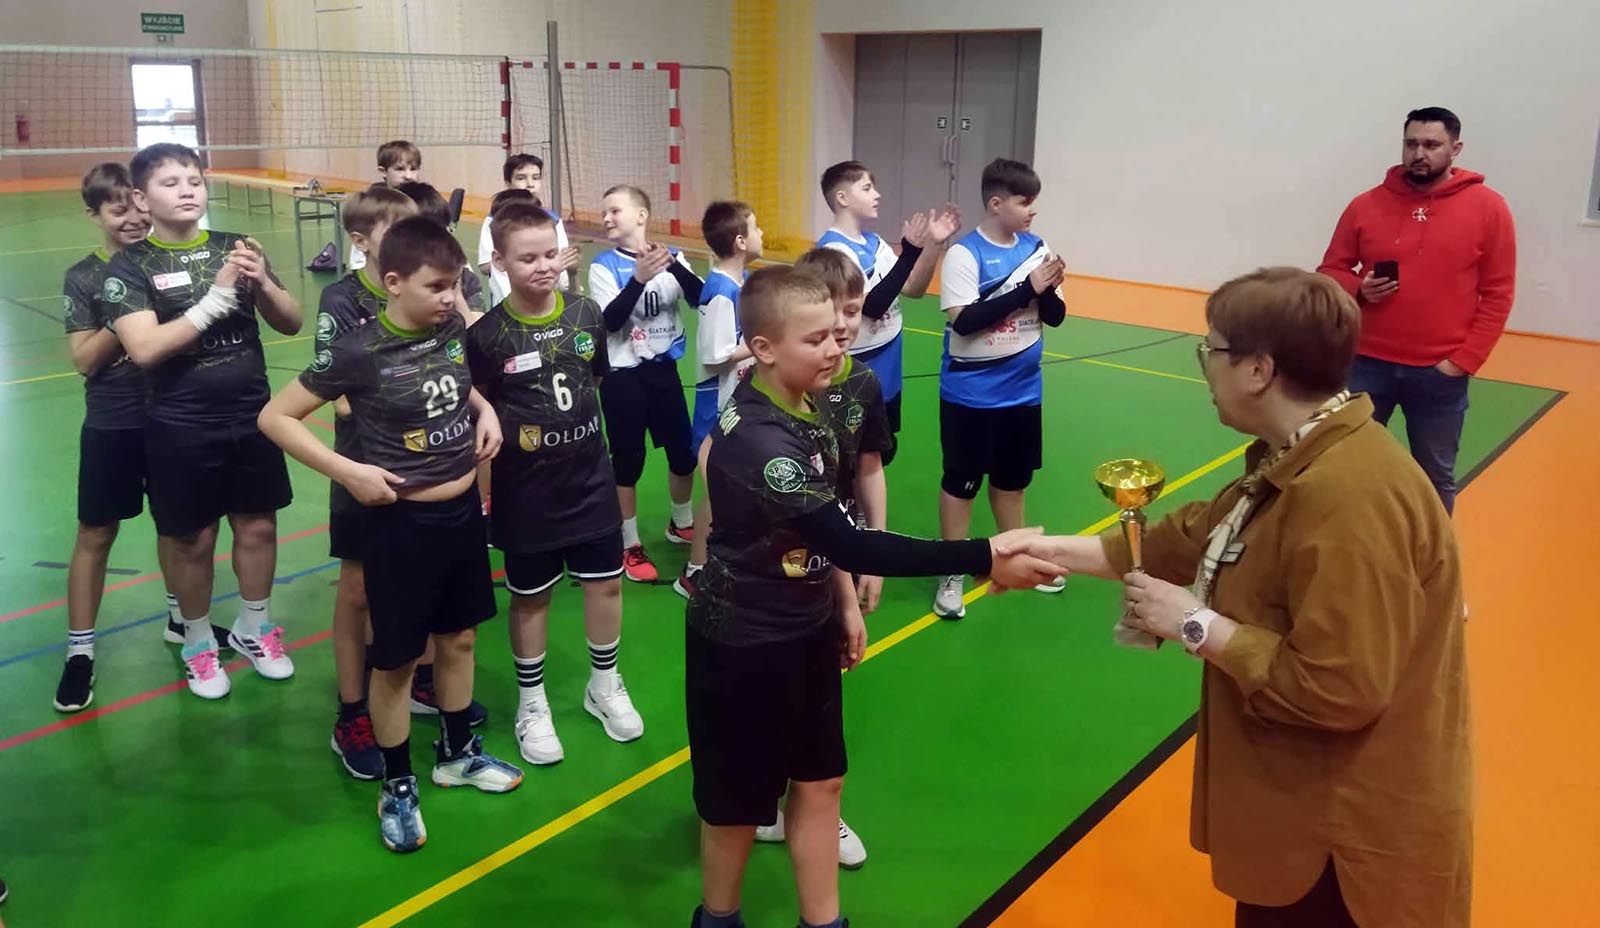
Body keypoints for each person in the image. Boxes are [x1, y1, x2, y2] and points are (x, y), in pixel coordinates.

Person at [1015, 267, 1471, 927]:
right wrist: (1042, 552)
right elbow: (1197, 535)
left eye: (1213, 350)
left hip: (1342, 851)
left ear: (1259, 370)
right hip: (1301, 819)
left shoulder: (1347, 496)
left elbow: (1340, 687)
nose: (1206, 367)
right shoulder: (1304, 451)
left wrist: (1196, 625)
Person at [685, 266, 1060, 928]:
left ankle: (824, 922)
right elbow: (853, 543)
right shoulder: (763, 440)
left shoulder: (811, 404)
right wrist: (984, 556)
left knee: (822, 779)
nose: (834, 348)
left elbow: (824, 526)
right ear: (763, 348)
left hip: (804, 627)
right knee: (737, 807)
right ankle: (718, 918)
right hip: (744, 643)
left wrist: (839, 605)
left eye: (836, 333)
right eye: (814, 340)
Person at [259, 216, 522, 854]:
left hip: (462, 514)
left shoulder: (451, 329)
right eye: (436, 287)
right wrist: (348, 471)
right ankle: (398, 783)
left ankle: (457, 753)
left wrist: (485, 410)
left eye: (454, 285)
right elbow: (276, 417)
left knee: (459, 639)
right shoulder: (357, 350)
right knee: (398, 658)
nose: (450, 298)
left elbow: (458, 387)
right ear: (394, 281)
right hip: (400, 524)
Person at [106, 142, 301, 698]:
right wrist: (216, 300)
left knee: (258, 526)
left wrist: (263, 283)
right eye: (170, 183)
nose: (187, 190)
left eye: (193, 180)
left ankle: (254, 627)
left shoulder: (237, 246)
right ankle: (197, 641)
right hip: (180, 423)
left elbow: (290, 322)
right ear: (142, 198)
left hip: (252, 415)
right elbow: (144, 348)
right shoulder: (129, 267)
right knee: (193, 539)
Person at [468, 201, 645, 765]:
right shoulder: (488, 335)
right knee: (531, 598)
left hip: (590, 479)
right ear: (499, 261)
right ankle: (532, 702)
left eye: (550, 253)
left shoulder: (586, 312)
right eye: (528, 258)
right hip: (526, 491)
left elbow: (593, 377)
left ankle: (604, 684)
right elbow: (481, 409)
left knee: (606, 584)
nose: (543, 266)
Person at [746, 246, 893, 870]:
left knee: (822, 689)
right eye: (828, 322)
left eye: (853, 314)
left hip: (835, 554)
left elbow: (869, 467)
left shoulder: (862, 383)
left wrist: (874, 552)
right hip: (776, 565)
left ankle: (816, 804)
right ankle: (769, 798)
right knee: (774, 690)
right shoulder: (764, 392)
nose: (843, 331)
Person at [1315, 106, 1516, 514]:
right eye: (1411, 144)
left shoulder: (1489, 208)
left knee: (1434, 477)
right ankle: (1352, 541)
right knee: (1345, 465)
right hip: (1365, 364)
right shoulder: (1365, 205)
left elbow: (1498, 292)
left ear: (1455, 148)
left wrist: (1463, 361)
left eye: (1431, 144)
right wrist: (1358, 288)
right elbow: (1330, 270)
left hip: (1439, 373)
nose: (1419, 154)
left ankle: (1432, 552)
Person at [54, 162, 184, 712]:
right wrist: (123, 313)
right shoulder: (84, 276)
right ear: (95, 215)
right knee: (96, 532)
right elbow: (85, 361)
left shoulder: (168, 262)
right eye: (117, 211)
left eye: (136, 207)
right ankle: (80, 651)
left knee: (179, 527)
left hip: (174, 415)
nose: (132, 219)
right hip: (114, 420)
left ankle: (182, 619)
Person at [932, 158, 1067, 619]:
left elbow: (1055, 317)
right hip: (971, 397)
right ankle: (953, 569)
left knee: (1013, 484)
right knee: (962, 484)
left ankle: (1018, 558)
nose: (1032, 211)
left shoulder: (1037, 249)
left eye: (1034, 202)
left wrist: (1048, 288)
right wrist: (1027, 287)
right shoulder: (964, 254)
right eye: (1024, 202)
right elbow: (965, 321)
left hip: (1024, 393)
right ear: (996, 203)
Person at [315, 186, 418, 778]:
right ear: (360, 240)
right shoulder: (343, 298)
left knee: (411, 582)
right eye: (393, 228)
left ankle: (408, 679)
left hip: (426, 462)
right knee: (357, 590)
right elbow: (340, 400)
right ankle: (352, 710)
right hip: (364, 464)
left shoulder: (425, 286)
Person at [588, 185, 703, 583]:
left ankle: (680, 522)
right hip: (623, 377)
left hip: (664, 372)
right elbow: (610, 322)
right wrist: (638, 279)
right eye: (604, 212)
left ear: (641, 215)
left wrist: (673, 267)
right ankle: (629, 542)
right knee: (628, 461)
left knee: (683, 454)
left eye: (614, 210)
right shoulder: (603, 266)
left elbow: (701, 297)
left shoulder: (673, 256)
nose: (606, 218)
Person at [816, 160, 961, 464]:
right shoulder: (833, 252)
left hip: (888, 372)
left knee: (881, 454)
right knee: (850, 460)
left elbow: (912, 287)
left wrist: (933, 245)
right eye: (867, 188)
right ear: (842, 198)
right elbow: (871, 306)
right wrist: (909, 253)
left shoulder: (876, 243)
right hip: (855, 375)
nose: (877, 194)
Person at [675, 201, 761, 600]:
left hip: (737, 402)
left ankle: (723, 561)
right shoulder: (722, 291)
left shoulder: (740, 283)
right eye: (756, 228)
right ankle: (695, 570)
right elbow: (715, 354)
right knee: (716, 495)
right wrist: (764, 343)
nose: (761, 235)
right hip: (717, 408)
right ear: (741, 241)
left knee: (731, 492)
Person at [476, 153, 576, 302]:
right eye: (521, 178)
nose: (530, 184)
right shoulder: (494, 219)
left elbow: (562, 263)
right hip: (506, 301)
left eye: (536, 178)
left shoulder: (553, 220)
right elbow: (485, 265)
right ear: (508, 183)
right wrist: (521, 264)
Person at [394, 180, 486, 318]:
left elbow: (476, 329)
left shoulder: (465, 278)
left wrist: (456, 293)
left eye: (441, 232)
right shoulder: (390, 279)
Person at [348, 139, 422, 272]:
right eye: (400, 169)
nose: (408, 176)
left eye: (413, 169)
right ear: (383, 171)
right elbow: (358, 261)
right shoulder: (372, 208)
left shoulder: (427, 205)